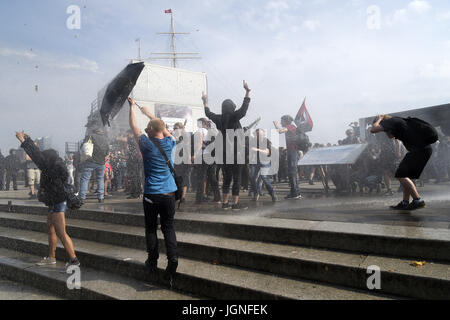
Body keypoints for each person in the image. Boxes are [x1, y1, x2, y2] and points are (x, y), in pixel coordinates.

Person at [128, 97, 178, 281]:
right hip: (169, 194)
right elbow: (162, 128)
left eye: (148, 127)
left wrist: (132, 108)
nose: (146, 130)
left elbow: (134, 127)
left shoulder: (146, 145)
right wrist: (149, 114)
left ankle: (153, 260)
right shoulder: (171, 142)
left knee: (151, 229)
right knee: (168, 227)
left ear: (151, 130)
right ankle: (173, 258)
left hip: (151, 195)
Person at [15, 131, 79, 269]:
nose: (42, 158)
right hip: (54, 202)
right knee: (50, 229)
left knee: (61, 233)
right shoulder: (55, 164)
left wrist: (23, 140)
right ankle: (51, 257)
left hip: (57, 203)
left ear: (48, 159)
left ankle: (74, 260)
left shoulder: (50, 167)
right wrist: (29, 139)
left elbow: (36, 155)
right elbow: (38, 154)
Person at [203, 80, 251, 211]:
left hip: (224, 154)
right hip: (236, 153)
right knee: (237, 179)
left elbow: (207, 113)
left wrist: (205, 100)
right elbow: (244, 108)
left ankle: (225, 203)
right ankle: (235, 204)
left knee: (227, 179)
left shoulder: (218, 119)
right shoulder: (235, 117)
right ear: (232, 107)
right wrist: (247, 91)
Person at [371, 115, 435, 210]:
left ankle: (417, 200)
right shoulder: (395, 124)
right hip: (419, 150)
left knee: (401, 175)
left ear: (383, 121)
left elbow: (373, 129)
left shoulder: (392, 122)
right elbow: (390, 136)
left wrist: (379, 119)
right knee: (403, 175)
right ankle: (405, 202)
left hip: (420, 150)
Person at [274, 116, 302, 199]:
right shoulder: (292, 127)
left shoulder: (290, 126)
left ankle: (295, 193)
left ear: (286, 121)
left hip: (293, 151)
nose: (280, 122)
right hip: (292, 151)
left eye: (281, 121)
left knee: (292, 172)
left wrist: (275, 125)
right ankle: (296, 192)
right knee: (292, 172)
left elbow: (280, 131)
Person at [79, 128, 110, 203]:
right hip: (101, 162)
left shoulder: (90, 136)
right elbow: (107, 152)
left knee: (85, 179)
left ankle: (82, 197)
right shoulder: (105, 139)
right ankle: (101, 197)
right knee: (100, 179)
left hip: (90, 161)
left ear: (93, 131)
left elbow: (83, 147)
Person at [249, 129, 278, 202]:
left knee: (264, 177)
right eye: (258, 135)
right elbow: (250, 151)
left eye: (261, 135)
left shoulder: (266, 141)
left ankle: (272, 193)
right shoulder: (252, 141)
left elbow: (267, 152)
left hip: (265, 161)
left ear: (263, 135)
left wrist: (257, 150)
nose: (260, 136)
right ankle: (256, 193)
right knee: (252, 177)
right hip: (255, 161)